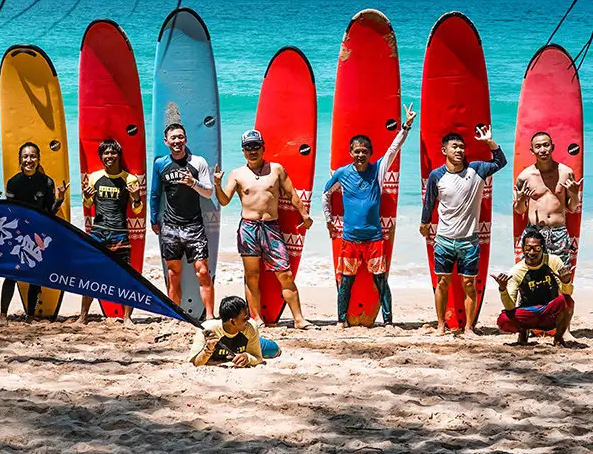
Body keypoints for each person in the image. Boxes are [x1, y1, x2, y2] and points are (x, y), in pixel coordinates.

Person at [323, 104, 417, 327]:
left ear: (370, 153)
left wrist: (406, 126)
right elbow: (326, 194)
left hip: (374, 238)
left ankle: (388, 322)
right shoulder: (342, 173)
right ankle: (341, 320)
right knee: (346, 282)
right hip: (350, 238)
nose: (360, 155)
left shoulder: (377, 170)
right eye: (357, 151)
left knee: (381, 282)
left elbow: (393, 149)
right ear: (351, 153)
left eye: (364, 151)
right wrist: (328, 219)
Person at [213, 129, 312, 330]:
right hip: (248, 229)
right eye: (248, 147)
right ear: (243, 151)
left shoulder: (276, 169)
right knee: (252, 275)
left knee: (285, 274)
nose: (252, 151)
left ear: (263, 148)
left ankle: (299, 319)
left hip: (271, 227)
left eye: (256, 146)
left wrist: (304, 215)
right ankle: (256, 318)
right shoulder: (237, 174)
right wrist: (217, 185)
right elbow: (224, 201)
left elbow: (292, 194)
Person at [420, 126, 507, 335]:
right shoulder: (436, 175)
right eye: (454, 147)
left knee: (469, 284)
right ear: (444, 150)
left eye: (461, 147)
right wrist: (424, 223)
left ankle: (469, 327)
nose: (459, 150)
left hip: (469, 240)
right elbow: (429, 202)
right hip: (444, 239)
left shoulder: (476, 170)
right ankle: (441, 325)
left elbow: (501, 162)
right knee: (442, 283)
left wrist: (490, 142)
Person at [0, 141, 68, 324]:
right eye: (25, 156)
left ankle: (30, 316)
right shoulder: (13, 183)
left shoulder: (47, 182)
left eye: (33, 156)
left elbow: (49, 212)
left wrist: (59, 199)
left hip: (36, 234)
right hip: (17, 234)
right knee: (11, 274)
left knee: (35, 275)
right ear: (20, 160)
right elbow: (9, 212)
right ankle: (3, 316)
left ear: (38, 159)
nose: (29, 160)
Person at [150, 123, 215, 318]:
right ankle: (175, 315)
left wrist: (193, 183)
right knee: (173, 273)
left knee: (202, 272)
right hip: (170, 227)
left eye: (180, 137)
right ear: (166, 141)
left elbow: (208, 192)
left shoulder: (198, 162)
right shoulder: (160, 164)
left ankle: (210, 316)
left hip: (194, 226)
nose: (177, 141)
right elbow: (155, 194)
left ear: (186, 138)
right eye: (173, 138)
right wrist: (153, 219)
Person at [79, 139, 144, 324]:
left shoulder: (129, 179)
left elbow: (137, 210)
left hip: (119, 233)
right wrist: (86, 197)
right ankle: (83, 316)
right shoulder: (94, 177)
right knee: (90, 275)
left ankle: (127, 317)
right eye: (106, 153)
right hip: (98, 232)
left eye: (113, 152)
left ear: (119, 155)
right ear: (101, 156)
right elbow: (88, 205)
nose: (109, 156)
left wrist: (136, 197)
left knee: (125, 276)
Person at [493, 225, 575, 348]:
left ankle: (558, 339)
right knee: (504, 319)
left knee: (567, 301)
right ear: (523, 249)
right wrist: (503, 289)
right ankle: (523, 334)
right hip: (529, 313)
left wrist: (566, 282)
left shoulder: (554, 262)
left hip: (549, 313)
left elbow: (567, 294)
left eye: (536, 248)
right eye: (528, 248)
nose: (531, 252)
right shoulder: (516, 271)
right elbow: (510, 307)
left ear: (543, 248)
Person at [513, 131, 581, 267]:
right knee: (531, 273)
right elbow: (520, 211)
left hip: (558, 232)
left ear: (552, 147)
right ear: (532, 150)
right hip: (534, 233)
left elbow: (572, 208)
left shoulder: (566, 173)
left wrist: (574, 194)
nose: (543, 150)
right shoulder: (525, 177)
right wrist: (521, 200)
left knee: (560, 274)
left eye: (546, 145)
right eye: (538, 146)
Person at [189, 295, 281, 367]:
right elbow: (194, 363)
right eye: (245, 318)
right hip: (235, 344)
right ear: (232, 322)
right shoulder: (208, 329)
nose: (249, 320)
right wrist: (208, 349)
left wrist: (247, 357)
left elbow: (258, 358)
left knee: (274, 350)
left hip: (250, 343)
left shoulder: (250, 326)